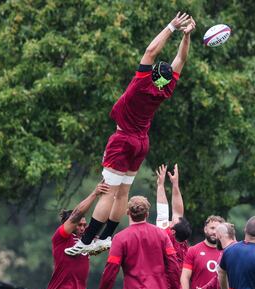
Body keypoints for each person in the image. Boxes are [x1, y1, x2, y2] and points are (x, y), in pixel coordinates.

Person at [65, 12, 196, 256]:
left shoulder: (140, 84)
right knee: (122, 192)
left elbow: (150, 50)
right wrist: (187, 36)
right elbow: (181, 59)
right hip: (141, 143)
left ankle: (86, 241)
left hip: (123, 140)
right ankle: (105, 238)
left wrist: (171, 26)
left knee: (107, 190)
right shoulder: (165, 89)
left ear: (152, 73)